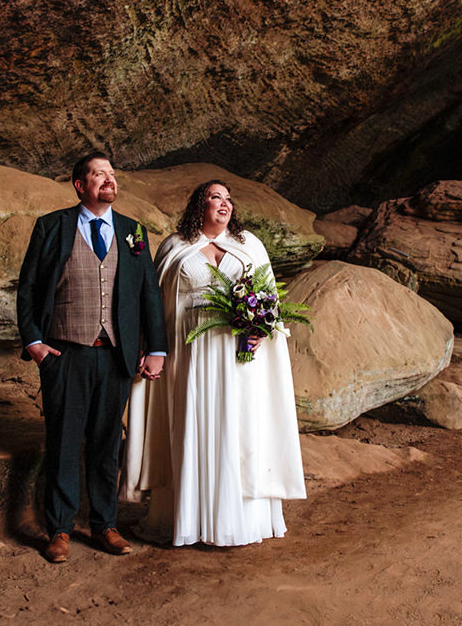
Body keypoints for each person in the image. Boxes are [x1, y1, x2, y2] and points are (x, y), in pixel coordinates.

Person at [122, 180, 305, 546]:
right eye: (215, 197)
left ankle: (242, 521)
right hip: (189, 355)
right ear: (198, 206)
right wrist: (152, 347)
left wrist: (262, 329)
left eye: (229, 199)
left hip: (239, 356)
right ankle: (189, 520)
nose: (224, 204)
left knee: (241, 426)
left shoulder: (249, 245)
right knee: (193, 421)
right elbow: (154, 305)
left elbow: (269, 298)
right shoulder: (175, 247)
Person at [17, 151, 167, 563]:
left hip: (115, 355)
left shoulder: (133, 231)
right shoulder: (52, 226)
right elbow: (28, 289)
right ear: (80, 185)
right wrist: (34, 342)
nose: (108, 180)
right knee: (63, 442)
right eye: (98, 174)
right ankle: (59, 530)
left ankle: (105, 526)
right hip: (65, 354)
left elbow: (148, 293)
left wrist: (155, 348)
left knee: (106, 445)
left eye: (112, 174)